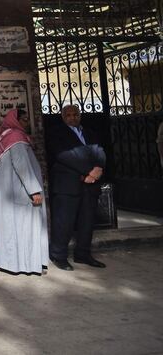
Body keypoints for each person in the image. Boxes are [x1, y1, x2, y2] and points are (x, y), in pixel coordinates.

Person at [48, 104, 107, 270]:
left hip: (90, 184)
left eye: (75, 114)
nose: (72, 117)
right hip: (67, 184)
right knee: (64, 222)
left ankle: (83, 254)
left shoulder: (90, 133)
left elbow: (100, 153)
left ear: (80, 115)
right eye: (68, 115)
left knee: (87, 221)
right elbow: (65, 155)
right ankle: (59, 255)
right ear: (63, 117)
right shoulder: (56, 133)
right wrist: (88, 170)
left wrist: (97, 171)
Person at [0, 109, 49, 275]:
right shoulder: (16, 137)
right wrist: (34, 191)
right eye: (23, 119)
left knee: (12, 228)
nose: (26, 122)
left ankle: (10, 262)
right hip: (20, 191)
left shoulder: (3, 135)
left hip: (10, 192)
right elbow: (22, 166)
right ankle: (27, 264)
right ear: (15, 120)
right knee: (24, 228)